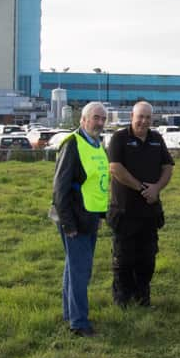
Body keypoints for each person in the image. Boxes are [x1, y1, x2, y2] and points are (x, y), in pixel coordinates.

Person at [107, 101, 174, 307]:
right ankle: (122, 299)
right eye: (140, 116)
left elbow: (168, 166)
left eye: (148, 117)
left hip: (150, 212)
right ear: (132, 116)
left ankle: (142, 297)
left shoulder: (156, 139)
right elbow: (115, 167)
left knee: (147, 258)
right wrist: (141, 188)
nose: (144, 121)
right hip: (124, 211)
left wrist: (156, 189)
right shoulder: (119, 138)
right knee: (124, 258)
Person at [52, 102, 109, 337]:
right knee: (80, 271)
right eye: (96, 118)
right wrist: (68, 224)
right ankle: (79, 323)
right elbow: (60, 189)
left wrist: (101, 215)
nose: (100, 123)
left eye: (103, 118)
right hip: (75, 219)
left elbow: (98, 183)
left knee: (74, 268)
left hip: (91, 216)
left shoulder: (96, 144)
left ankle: (70, 314)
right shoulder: (73, 145)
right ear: (83, 120)